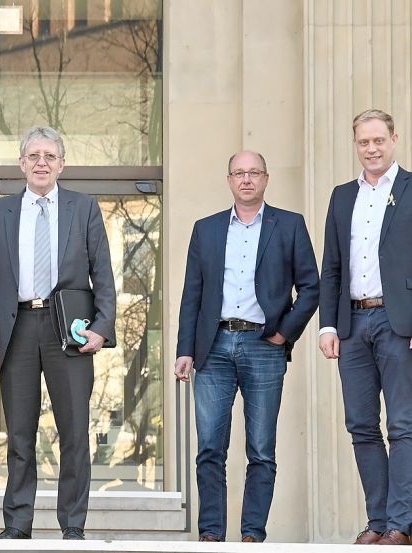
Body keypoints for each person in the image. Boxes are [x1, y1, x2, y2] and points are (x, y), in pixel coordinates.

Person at [0, 126, 115, 541]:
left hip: (68, 330)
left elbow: (102, 273)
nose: (41, 163)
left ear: (62, 164)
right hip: (16, 329)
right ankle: (17, 524)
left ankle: (73, 524)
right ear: (21, 164)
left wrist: (103, 328)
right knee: (19, 434)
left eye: (49, 156)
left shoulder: (83, 207)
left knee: (74, 432)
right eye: (33, 156)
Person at [174, 151, 319, 543]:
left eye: (254, 172)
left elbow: (311, 287)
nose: (247, 179)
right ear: (229, 180)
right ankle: (211, 534)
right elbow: (193, 294)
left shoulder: (289, 225)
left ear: (266, 178)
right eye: (239, 173)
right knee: (209, 448)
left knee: (261, 449)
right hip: (213, 345)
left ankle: (252, 534)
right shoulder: (206, 229)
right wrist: (184, 349)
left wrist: (284, 333)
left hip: (263, 345)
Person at [319, 109, 412, 546]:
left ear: (394, 140)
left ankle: (401, 522)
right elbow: (332, 267)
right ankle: (377, 521)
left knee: (403, 425)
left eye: (378, 140)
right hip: (352, 323)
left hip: (399, 325)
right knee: (360, 425)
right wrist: (327, 327)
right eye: (363, 142)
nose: (371, 149)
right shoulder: (342, 196)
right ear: (355, 144)